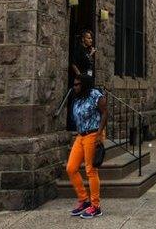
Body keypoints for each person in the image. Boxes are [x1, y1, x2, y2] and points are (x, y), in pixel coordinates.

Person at [66, 74, 107, 219]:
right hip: (80, 135)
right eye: (74, 84)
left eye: (78, 84)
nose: (75, 87)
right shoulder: (78, 97)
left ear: (84, 85)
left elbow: (104, 113)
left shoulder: (95, 95)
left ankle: (95, 206)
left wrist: (99, 134)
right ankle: (84, 200)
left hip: (92, 134)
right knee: (71, 168)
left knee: (91, 170)